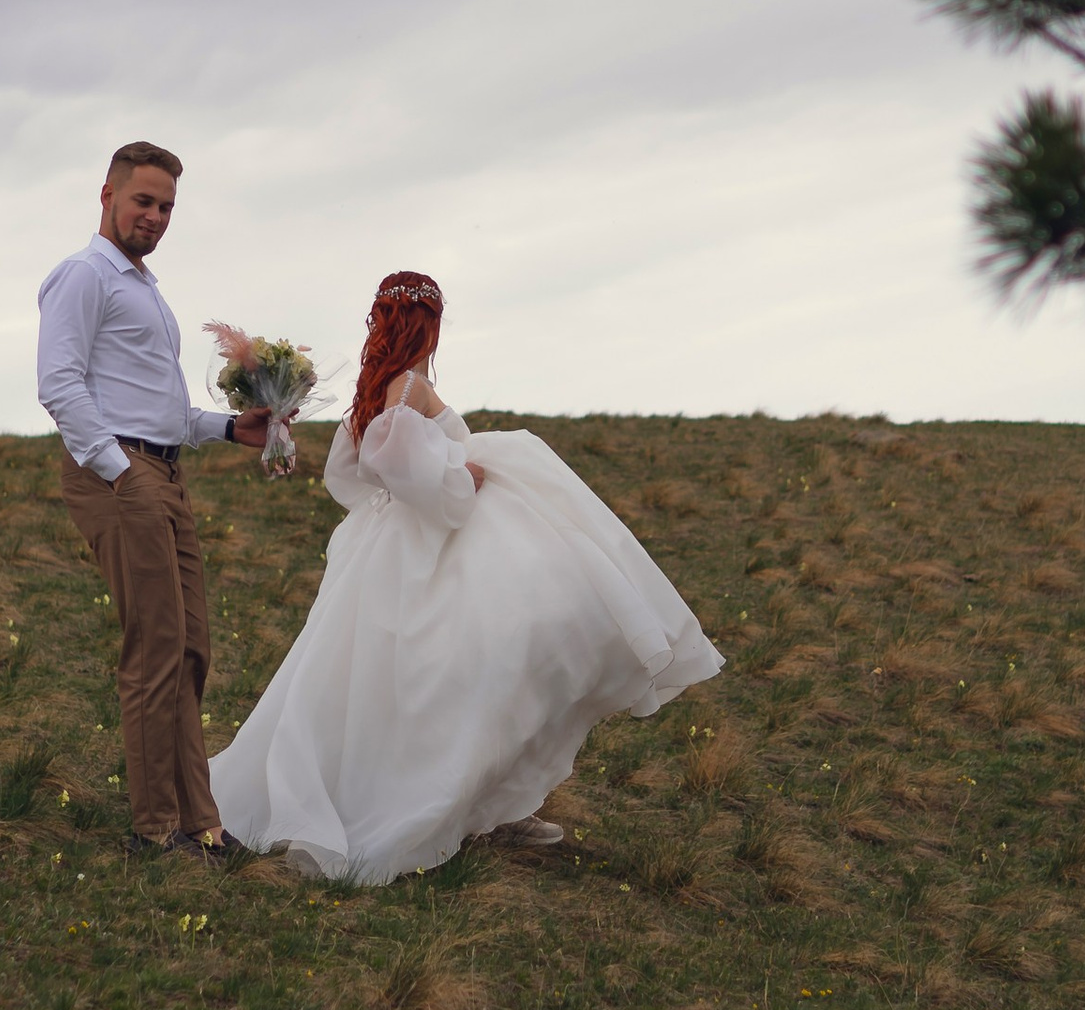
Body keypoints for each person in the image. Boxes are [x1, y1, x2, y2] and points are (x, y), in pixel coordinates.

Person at [209, 269, 723, 882]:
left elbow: (349, 471)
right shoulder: (408, 388)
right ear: (428, 327)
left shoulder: (373, 390)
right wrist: (459, 480)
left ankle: (485, 803)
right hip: (428, 542)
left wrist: (416, 485)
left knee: (392, 681)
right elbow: (398, 458)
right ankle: (450, 805)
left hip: (385, 546)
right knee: (481, 671)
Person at [37, 144, 266, 855]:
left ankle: (202, 822)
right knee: (157, 648)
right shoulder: (82, 276)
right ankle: (156, 828)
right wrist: (119, 471)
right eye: (144, 201)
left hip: (162, 471)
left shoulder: (144, 288)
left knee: (191, 648)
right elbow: (59, 385)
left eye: (167, 206)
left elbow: (161, 412)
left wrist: (231, 428)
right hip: (120, 477)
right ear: (106, 194)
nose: (156, 216)